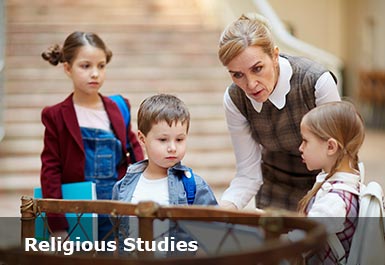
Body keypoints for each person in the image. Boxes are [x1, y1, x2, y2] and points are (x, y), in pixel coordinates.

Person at [217, 13, 341, 210]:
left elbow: (340, 161)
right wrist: (224, 211)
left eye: (257, 68)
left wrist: (320, 208)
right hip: (274, 190)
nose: (250, 84)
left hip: (326, 187)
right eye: (238, 75)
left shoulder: (316, 82)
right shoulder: (235, 99)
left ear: (275, 56)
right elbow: (247, 174)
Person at [40, 31, 144, 241]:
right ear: (68, 68)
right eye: (85, 66)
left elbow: (137, 157)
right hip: (79, 212)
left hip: (117, 211)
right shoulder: (56, 116)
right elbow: (50, 171)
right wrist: (58, 224)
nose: (95, 73)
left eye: (101, 66)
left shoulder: (119, 108)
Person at [112, 94, 218, 255]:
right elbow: (117, 235)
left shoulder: (194, 186)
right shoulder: (123, 187)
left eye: (180, 139)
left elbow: (214, 236)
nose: (172, 148)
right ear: (142, 138)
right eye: (163, 140)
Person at [296, 101, 364, 264]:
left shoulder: (334, 202)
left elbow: (298, 243)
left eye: (306, 141)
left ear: (331, 147)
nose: (300, 147)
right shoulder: (342, 184)